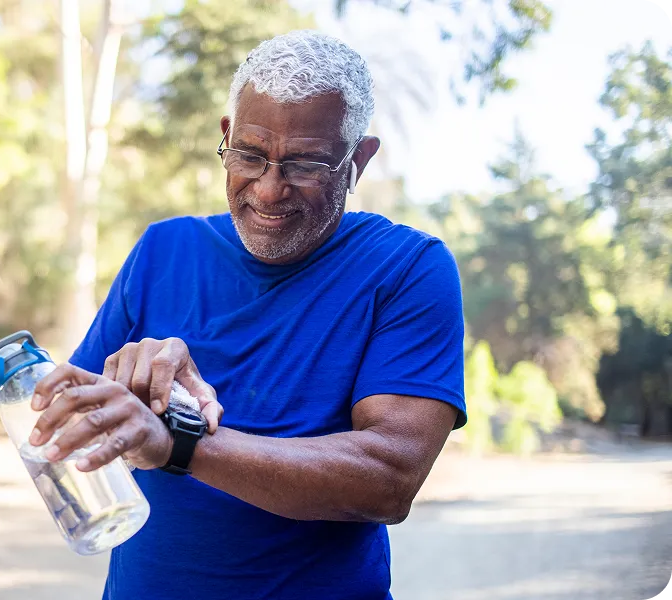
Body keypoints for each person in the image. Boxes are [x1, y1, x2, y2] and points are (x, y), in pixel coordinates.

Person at [26, 30, 466, 600]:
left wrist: (179, 441)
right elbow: (68, 440)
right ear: (226, 136)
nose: (270, 189)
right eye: (251, 155)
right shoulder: (163, 251)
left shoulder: (409, 268)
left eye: (305, 164)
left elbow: (387, 478)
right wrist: (123, 395)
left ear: (359, 159)